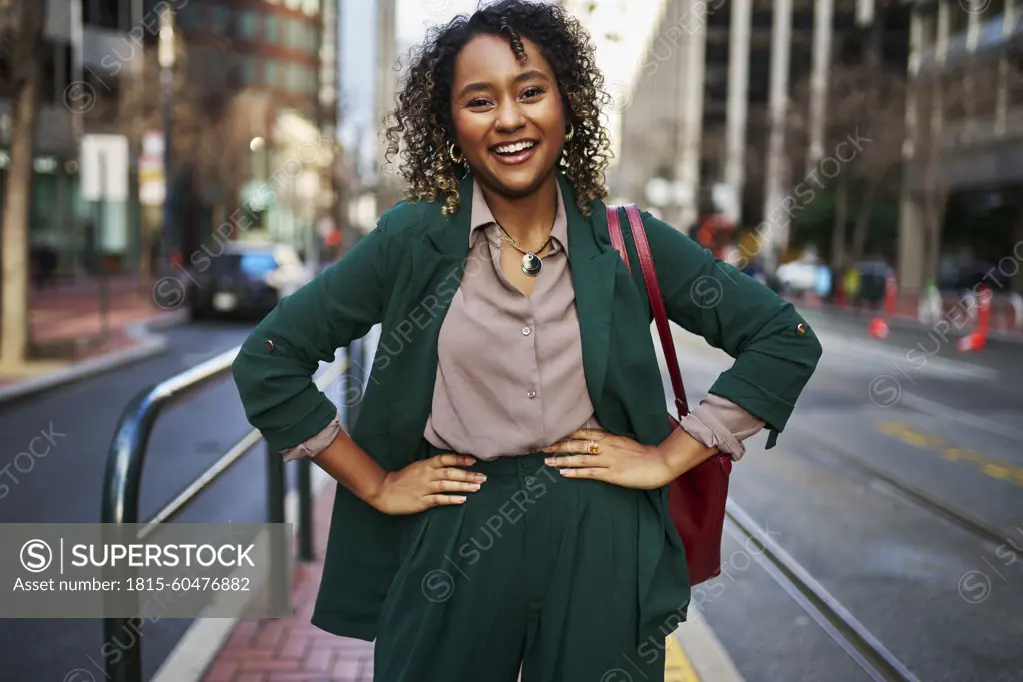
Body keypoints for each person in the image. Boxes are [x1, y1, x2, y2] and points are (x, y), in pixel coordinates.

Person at [231, 2, 822, 680]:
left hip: (601, 533)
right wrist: (376, 484)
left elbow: (784, 337)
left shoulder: (626, 241)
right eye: (479, 101)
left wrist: (666, 459)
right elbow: (268, 362)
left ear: (566, 106)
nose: (508, 118)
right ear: (451, 125)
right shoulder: (410, 240)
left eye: (530, 91)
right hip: (454, 533)